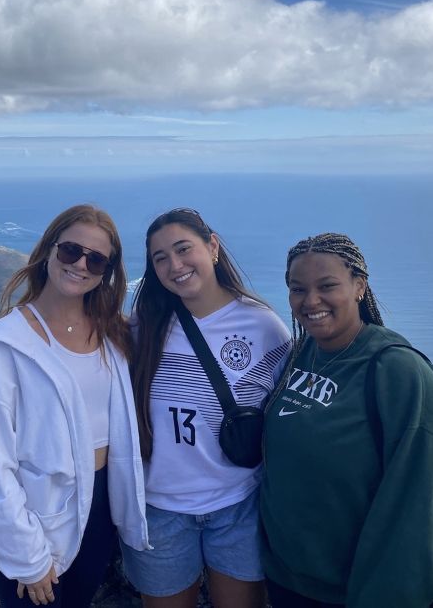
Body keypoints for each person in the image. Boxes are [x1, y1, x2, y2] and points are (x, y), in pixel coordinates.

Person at [259, 233, 433, 607]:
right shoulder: (304, 353)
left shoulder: (399, 370)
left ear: (359, 286)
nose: (310, 301)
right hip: (288, 581)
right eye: (298, 289)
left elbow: (425, 499)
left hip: (352, 591)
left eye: (326, 286)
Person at [0, 204, 150, 607]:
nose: (81, 264)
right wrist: (26, 556)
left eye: (96, 259)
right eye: (70, 251)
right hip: (37, 516)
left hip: (99, 508)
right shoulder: (7, 347)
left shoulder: (113, 334)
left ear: (106, 272)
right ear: (48, 250)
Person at [122, 208, 291, 608]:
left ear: (212, 246)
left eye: (184, 249)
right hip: (159, 509)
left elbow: (288, 414)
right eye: (160, 258)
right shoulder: (142, 328)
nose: (174, 265)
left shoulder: (263, 326)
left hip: (238, 504)